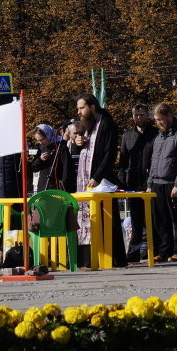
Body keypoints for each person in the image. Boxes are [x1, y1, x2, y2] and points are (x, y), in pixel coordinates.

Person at [75, 93, 127, 267]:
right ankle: (90, 258)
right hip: (86, 179)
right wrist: (78, 141)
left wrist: (97, 176)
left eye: (82, 108)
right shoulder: (88, 124)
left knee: (107, 219)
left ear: (92, 106)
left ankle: (113, 259)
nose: (79, 112)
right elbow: (84, 147)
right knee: (87, 218)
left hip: (101, 181)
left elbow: (109, 154)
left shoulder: (106, 123)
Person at [145, 102, 177, 263]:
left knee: (176, 219)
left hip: (172, 183)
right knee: (160, 220)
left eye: (161, 119)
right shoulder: (158, 138)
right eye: (156, 120)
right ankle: (163, 251)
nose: (159, 123)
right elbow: (153, 161)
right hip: (157, 183)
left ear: (169, 116)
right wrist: (150, 183)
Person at [118, 104, 157, 262]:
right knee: (135, 219)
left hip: (150, 181)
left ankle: (155, 250)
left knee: (153, 218)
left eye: (142, 114)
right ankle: (133, 251)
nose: (139, 118)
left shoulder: (155, 134)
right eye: (136, 115)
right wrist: (122, 179)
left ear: (147, 115)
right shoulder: (127, 135)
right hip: (133, 182)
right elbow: (123, 160)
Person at [28, 124, 60, 194]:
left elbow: (66, 167)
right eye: (38, 141)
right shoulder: (41, 147)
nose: (41, 142)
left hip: (57, 185)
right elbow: (33, 167)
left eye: (42, 139)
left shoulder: (60, 145)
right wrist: (40, 159)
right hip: (44, 184)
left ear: (47, 135)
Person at [53, 121, 81, 193]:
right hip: (71, 184)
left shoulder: (87, 145)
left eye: (80, 132)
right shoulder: (64, 147)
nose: (78, 135)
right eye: (75, 133)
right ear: (69, 134)